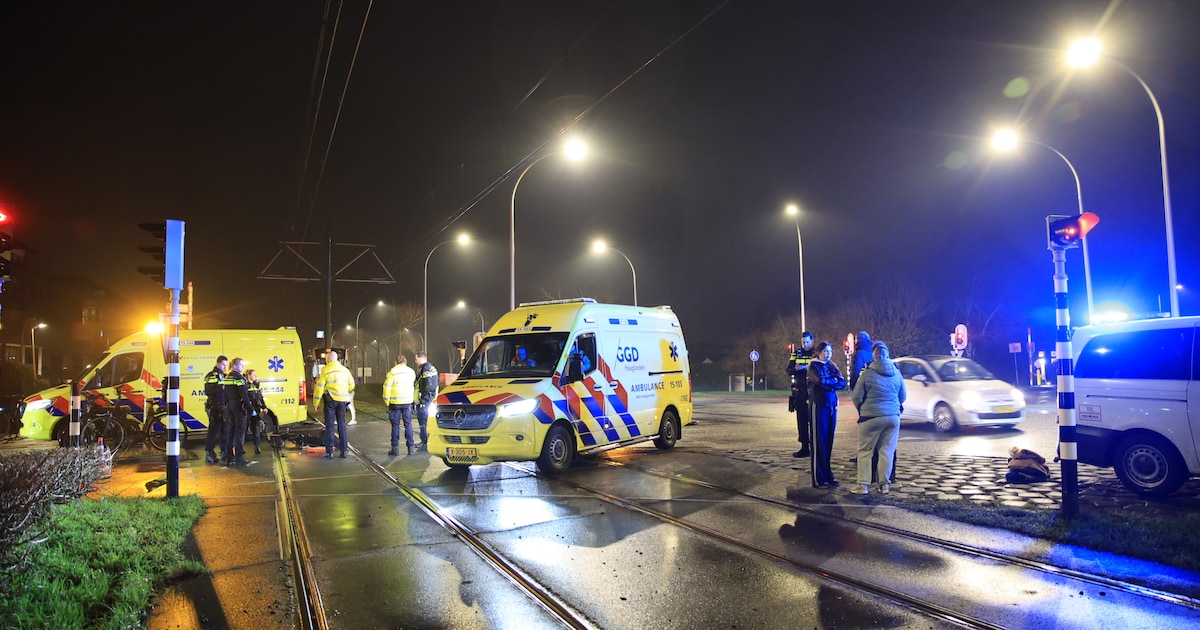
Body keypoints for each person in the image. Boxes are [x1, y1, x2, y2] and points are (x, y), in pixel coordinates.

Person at [850, 341, 906, 495]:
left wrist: (862, 408)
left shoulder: (867, 374)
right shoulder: (897, 373)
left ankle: (863, 484)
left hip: (871, 416)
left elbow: (856, 396)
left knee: (865, 451)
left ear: (874, 356)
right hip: (892, 417)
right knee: (886, 451)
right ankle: (884, 485)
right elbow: (903, 396)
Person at [807, 341, 847, 488]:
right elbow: (820, 382)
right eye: (825, 351)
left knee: (828, 442)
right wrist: (833, 381)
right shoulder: (813, 366)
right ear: (819, 353)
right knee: (819, 442)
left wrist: (832, 382)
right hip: (819, 405)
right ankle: (819, 478)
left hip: (831, 406)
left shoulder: (831, 365)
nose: (828, 354)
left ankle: (828, 475)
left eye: (829, 351)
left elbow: (842, 382)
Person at [313, 349, 355, 459]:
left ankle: (329, 452)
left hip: (330, 401)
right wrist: (344, 391)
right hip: (342, 402)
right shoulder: (345, 370)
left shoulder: (325, 370)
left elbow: (319, 388)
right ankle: (344, 450)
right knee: (342, 425)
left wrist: (316, 402)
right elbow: (352, 385)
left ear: (328, 360)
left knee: (330, 426)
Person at [786, 331, 816, 458]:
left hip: (813, 391)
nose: (805, 344)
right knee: (802, 421)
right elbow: (788, 370)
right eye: (803, 342)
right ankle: (804, 447)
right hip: (800, 391)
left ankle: (815, 447)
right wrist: (795, 369)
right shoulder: (796, 353)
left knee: (814, 421)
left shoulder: (816, 353)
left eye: (807, 342)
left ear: (812, 341)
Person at [383, 354, 417, 455]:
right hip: (407, 402)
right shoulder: (411, 372)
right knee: (408, 424)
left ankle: (395, 448)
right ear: (405, 361)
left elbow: (386, 388)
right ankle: (410, 448)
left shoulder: (392, 373)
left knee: (395, 426)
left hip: (395, 403)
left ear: (396, 362)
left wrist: (387, 401)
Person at [223, 358, 251, 466]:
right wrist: (250, 409)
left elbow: (225, 394)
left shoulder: (227, 378)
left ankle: (229, 457)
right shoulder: (239, 378)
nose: (243, 367)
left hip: (230, 406)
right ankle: (239, 456)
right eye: (241, 365)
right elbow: (244, 395)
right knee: (239, 432)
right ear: (235, 366)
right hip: (239, 407)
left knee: (230, 432)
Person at [203, 356, 229, 464]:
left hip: (223, 406)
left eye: (226, 365)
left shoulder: (224, 376)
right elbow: (208, 391)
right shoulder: (211, 375)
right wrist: (221, 387)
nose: (225, 367)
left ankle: (224, 451)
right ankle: (209, 453)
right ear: (218, 364)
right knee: (213, 431)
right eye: (223, 364)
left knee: (224, 430)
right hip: (214, 406)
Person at [413, 351, 438, 450]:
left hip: (425, 399)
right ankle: (430, 440)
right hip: (431, 398)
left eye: (416, 359)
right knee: (429, 421)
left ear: (420, 358)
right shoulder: (432, 368)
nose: (415, 361)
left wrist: (422, 393)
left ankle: (424, 441)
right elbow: (437, 382)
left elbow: (428, 383)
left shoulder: (425, 370)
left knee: (422, 421)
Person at [246, 368, 268, 455]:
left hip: (256, 410)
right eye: (254, 374)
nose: (256, 376)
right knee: (243, 429)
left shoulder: (255, 385)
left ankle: (257, 446)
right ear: (249, 375)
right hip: (247, 410)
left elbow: (260, 397)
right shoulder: (245, 386)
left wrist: (264, 407)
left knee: (256, 429)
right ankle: (237, 449)